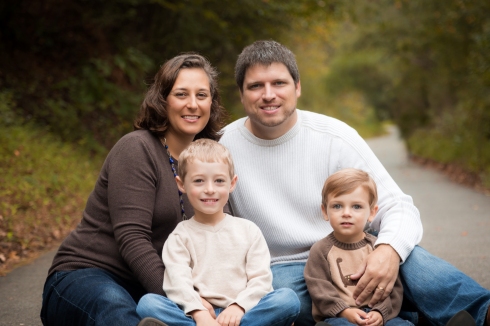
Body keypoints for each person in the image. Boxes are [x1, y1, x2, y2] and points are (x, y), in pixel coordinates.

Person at [219, 40, 490, 326]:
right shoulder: (223, 148)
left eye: (279, 83)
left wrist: (387, 251)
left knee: (409, 260)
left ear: (297, 87)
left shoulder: (334, 137)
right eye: (256, 86)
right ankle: (409, 315)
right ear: (241, 94)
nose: (268, 95)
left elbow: (397, 206)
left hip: (354, 246)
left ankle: (481, 314)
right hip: (284, 268)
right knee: (287, 300)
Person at [40, 53, 229, 326]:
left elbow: (220, 236)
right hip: (87, 277)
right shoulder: (137, 148)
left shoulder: (210, 162)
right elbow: (132, 237)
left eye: (202, 95)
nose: (192, 104)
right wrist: (186, 300)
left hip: (149, 289)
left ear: (212, 102)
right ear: (163, 100)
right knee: (113, 304)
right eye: (181, 94)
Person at [136, 139, 300, 326]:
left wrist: (239, 307)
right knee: (148, 303)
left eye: (219, 181)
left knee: (287, 299)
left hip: (243, 314)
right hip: (199, 314)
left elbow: (261, 280)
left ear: (232, 183)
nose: (209, 190)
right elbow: (177, 283)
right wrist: (199, 313)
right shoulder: (180, 236)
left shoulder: (249, 231)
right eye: (198, 181)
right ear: (181, 184)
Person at [304, 168, 411, 326]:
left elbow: (393, 288)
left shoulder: (377, 248)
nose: (346, 213)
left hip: (376, 314)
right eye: (337, 206)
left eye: (357, 207)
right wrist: (344, 311)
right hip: (341, 316)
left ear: (372, 212)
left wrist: (380, 312)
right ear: (325, 211)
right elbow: (319, 289)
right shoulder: (321, 250)